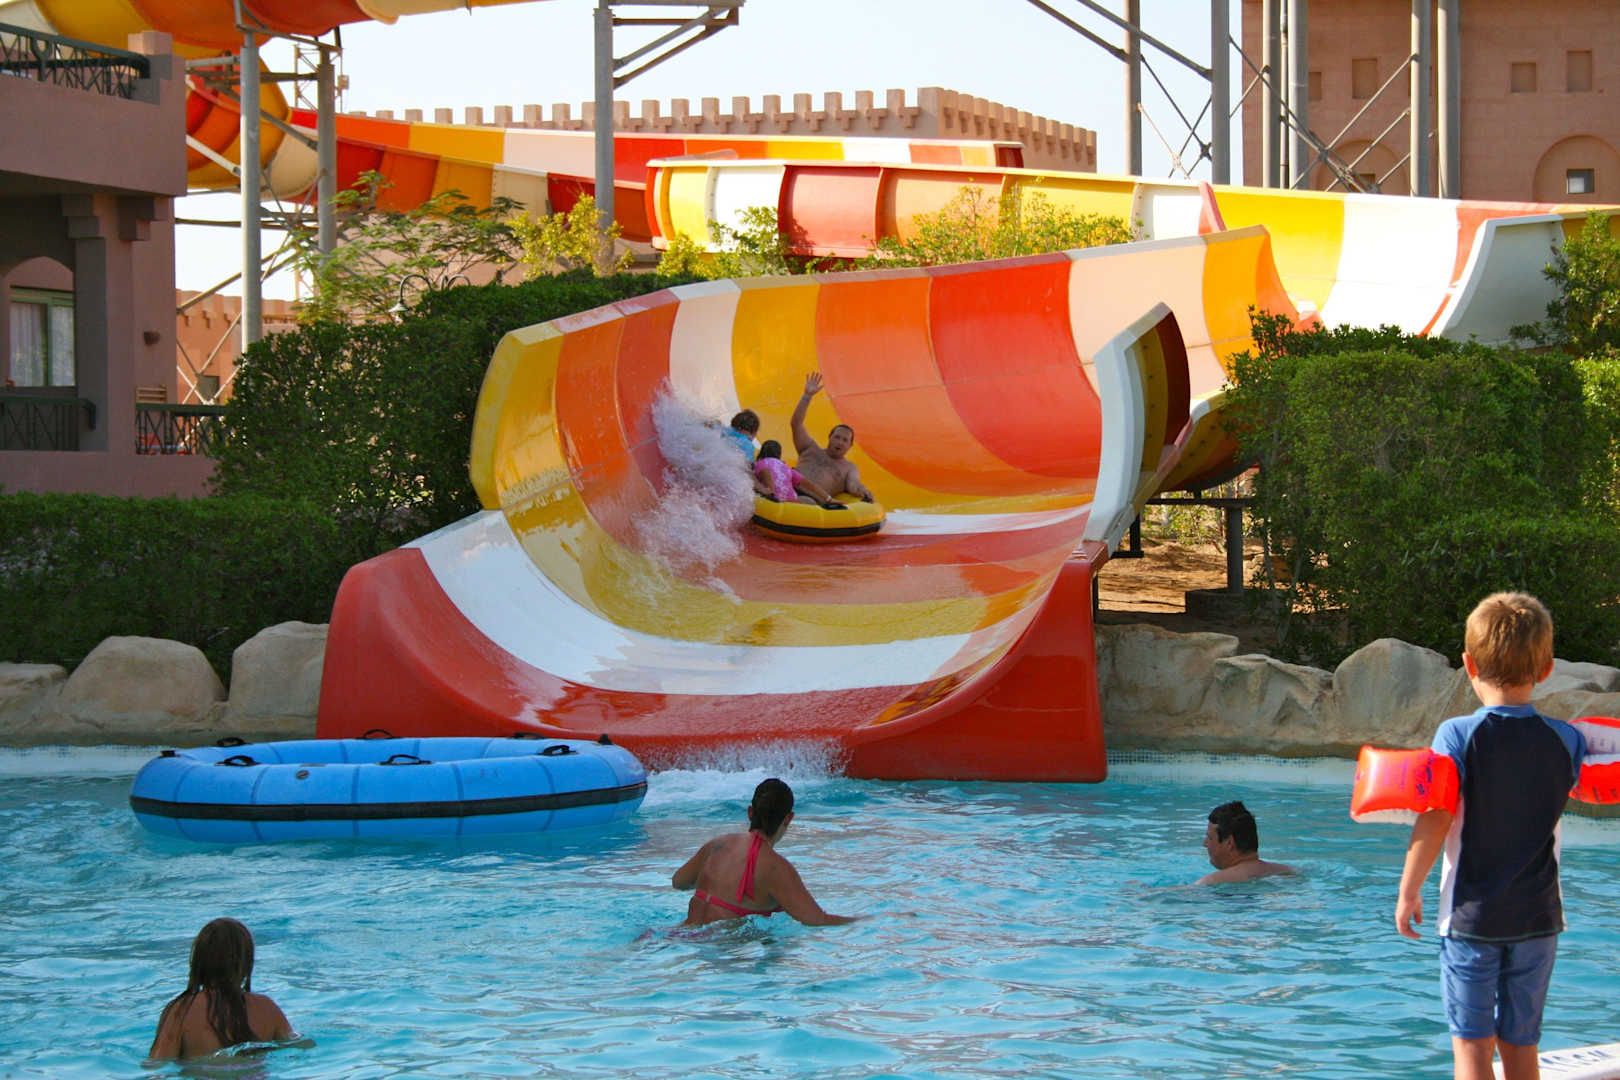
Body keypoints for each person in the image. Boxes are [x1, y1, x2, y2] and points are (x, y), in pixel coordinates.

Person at [1395, 592, 1587, 1080]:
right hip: (1540, 919)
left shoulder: (1457, 736)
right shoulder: (1567, 739)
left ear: (1469, 664)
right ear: (1547, 669)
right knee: (1522, 1046)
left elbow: (1436, 817)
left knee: (1472, 1049)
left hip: (1471, 920)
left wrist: (1409, 889)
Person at [672, 778, 859, 927]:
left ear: (750, 812)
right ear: (788, 818)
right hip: (723, 951)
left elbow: (678, 882)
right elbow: (817, 920)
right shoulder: (776, 868)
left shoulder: (717, 845)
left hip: (679, 936)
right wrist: (862, 921)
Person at [149, 918, 294, 1060]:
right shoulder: (267, 1008)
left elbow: (156, 1064)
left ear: (198, 962)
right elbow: (296, 1047)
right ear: (245, 963)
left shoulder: (181, 1011)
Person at [790, 372, 874, 502]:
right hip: (787, 488)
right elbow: (796, 424)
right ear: (830, 437)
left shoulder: (849, 468)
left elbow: (854, 485)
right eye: (837, 437)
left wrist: (863, 491)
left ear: (850, 446)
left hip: (810, 500)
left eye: (845, 440)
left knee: (807, 501)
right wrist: (807, 396)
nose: (840, 442)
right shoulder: (810, 449)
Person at [1196, 801, 1297, 884]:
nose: (1205, 844)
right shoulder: (1290, 872)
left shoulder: (1211, 882)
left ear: (1229, 843)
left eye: (1210, 838)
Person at [753, 440, 836, 506]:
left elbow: (760, 475)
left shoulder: (760, 464)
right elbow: (810, 485)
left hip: (773, 502)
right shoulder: (787, 468)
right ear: (779, 455)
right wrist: (829, 499)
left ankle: (772, 493)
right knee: (808, 502)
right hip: (793, 503)